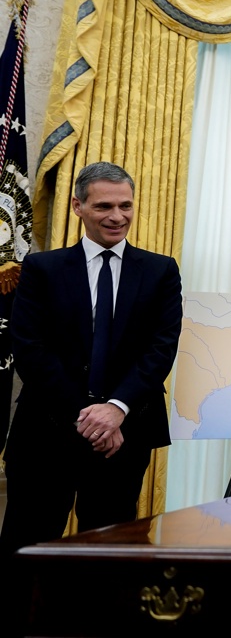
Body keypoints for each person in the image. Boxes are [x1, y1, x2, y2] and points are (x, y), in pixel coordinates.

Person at [0, 162, 183, 558]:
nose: (117, 217)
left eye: (126, 205)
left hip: (125, 436)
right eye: (103, 206)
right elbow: (29, 348)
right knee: (25, 549)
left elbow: (161, 347)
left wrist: (116, 409)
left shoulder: (160, 271)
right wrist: (91, 416)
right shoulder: (41, 269)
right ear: (77, 206)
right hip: (46, 431)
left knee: (109, 555)